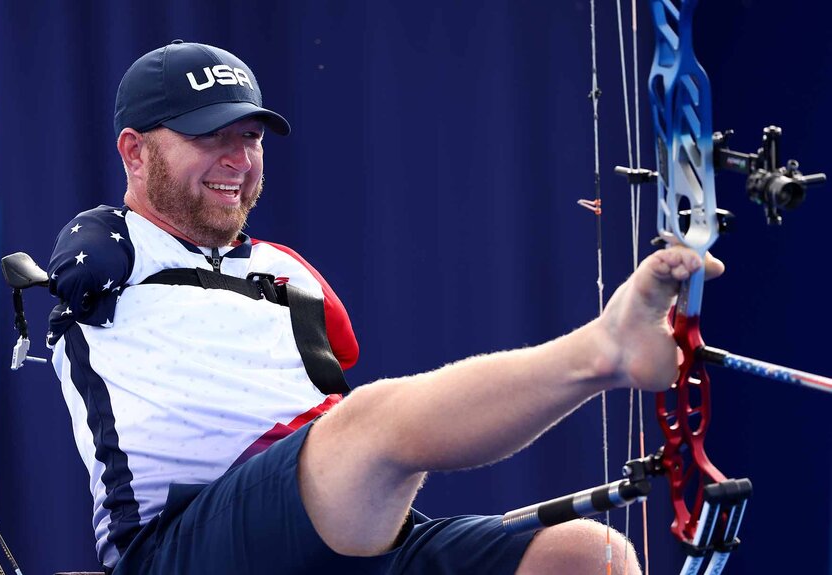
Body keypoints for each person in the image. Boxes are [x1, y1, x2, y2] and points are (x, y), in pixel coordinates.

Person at [46, 40, 723, 575]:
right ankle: (605, 348)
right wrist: (92, 231)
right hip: (186, 545)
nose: (238, 158)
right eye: (207, 137)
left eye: (249, 136)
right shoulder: (103, 256)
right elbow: (78, 256)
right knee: (369, 423)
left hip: (336, 526)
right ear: (133, 152)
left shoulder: (288, 272)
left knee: (587, 556)